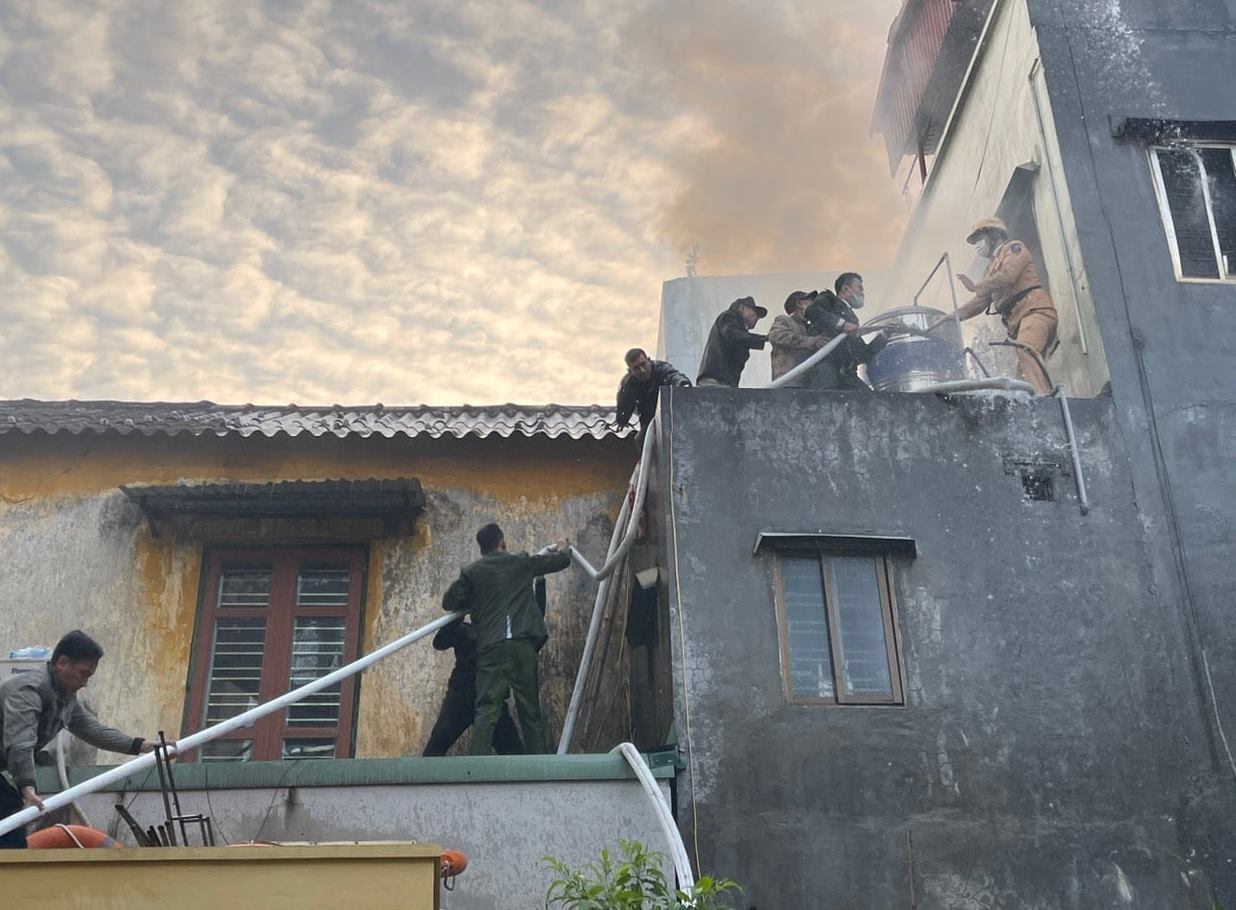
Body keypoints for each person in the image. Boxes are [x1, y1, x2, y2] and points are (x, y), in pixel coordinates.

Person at [0, 630, 163, 848]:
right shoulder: (28, 690)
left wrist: (138, 745)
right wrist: (27, 787)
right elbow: (20, 742)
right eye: (83, 674)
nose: (85, 683)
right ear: (62, 663)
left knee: (9, 810)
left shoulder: (65, 698)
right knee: (9, 809)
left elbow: (91, 729)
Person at [442, 524, 572, 755]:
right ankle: (539, 764)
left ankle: (476, 767)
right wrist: (564, 547)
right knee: (530, 710)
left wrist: (474, 597)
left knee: (486, 709)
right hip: (523, 645)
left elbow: (449, 602)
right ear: (502, 542)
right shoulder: (520, 562)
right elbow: (561, 561)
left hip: (491, 648)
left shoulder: (472, 572)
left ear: (482, 549)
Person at [931, 218, 1058, 394]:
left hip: (1036, 311)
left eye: (979, 239)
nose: (977, 246)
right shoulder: (990, 269)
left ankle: (1044, 400)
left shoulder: (1013, 249)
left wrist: (977, 287)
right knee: (1021, 376)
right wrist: (952, 316)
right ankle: (1037, 402)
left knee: (1026, 350)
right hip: (1020, 321)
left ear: (994, 236)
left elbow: (1008, 276)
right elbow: (980, 302)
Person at [422, 619, 525, 756]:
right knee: (436, 746)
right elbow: (440, 642)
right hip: (461, 698)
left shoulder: (500, 627)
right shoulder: (462, 629)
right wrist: (456, 618)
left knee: (512, 751)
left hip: (490, 697)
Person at [803, 275, 889, 391]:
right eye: (859, 288)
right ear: (846, 288)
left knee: (870, 399)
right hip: (826, 371)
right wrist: (842, 324)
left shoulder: (852, 319)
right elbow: (812, 311)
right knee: (826, 399)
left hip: (848, 375)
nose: (862, 293)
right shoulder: (829, 300)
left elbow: (864, 355)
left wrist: (885, 335)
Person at [615, 349, 692, 435]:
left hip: (673, 419)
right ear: (630, 371)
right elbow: (623, 414)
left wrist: (683, 385)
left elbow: (674, 377)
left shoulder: (662, 369)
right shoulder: (629, 385)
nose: (642, 370)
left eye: (643, 364)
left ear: (649, 360)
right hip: (649, 424)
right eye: (636, 368)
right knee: (638, 439)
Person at [696, 297, 768, 387]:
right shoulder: (729, 316)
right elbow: (734, 336)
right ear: (742, 308)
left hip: (722, 382)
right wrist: (764, 338)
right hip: (715, 381)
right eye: (755, 312)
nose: (757, 318)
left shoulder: (739, 329)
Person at [769, 291, 831, 386]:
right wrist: (811, 341)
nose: (814, 304)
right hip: (787, 382)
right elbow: (776, 336)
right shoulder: (784, 320)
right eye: (811, 301)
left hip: (806, 384)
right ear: (799, 303)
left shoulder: (809, 327)